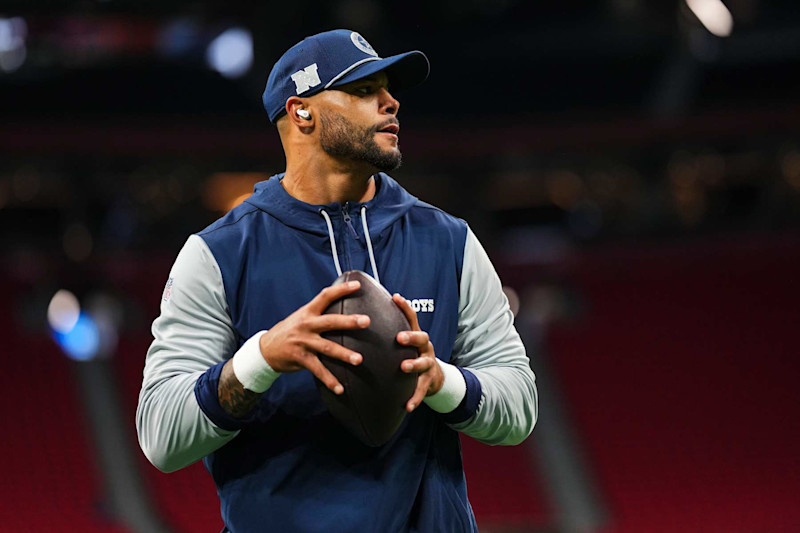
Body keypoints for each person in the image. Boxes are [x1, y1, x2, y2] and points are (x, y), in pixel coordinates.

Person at [136, 29, 538, 533]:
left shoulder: (449, 241)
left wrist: (441, 380)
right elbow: (161, 439)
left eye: (388, 89)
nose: (391, 102)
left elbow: (519, 408)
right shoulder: (218, 254)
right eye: (363, 89)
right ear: (301, 111)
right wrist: (264, 358)